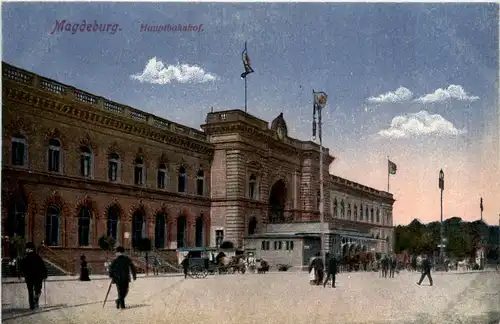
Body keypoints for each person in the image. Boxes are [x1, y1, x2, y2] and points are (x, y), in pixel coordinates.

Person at [19, 242, 48, 310]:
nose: (26, 250)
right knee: (37, 290)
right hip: (37, 277)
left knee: (30, 291)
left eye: (27, 249)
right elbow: (43, 266)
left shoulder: (25, 258)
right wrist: (45, 274)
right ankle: (36, 300)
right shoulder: (37, 257)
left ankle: (32, 305)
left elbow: (21, 267)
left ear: (29, 249)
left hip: (29, 277)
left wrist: (20, 274)